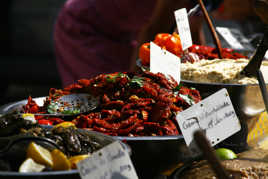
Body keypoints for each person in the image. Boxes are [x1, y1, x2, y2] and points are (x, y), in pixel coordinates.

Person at [54, 0, 193, 87]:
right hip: (85, 27)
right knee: (99, 100)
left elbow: (190, 29)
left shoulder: (196, 5)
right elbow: (154, 30)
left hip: (126, 34)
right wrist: (133, 87)